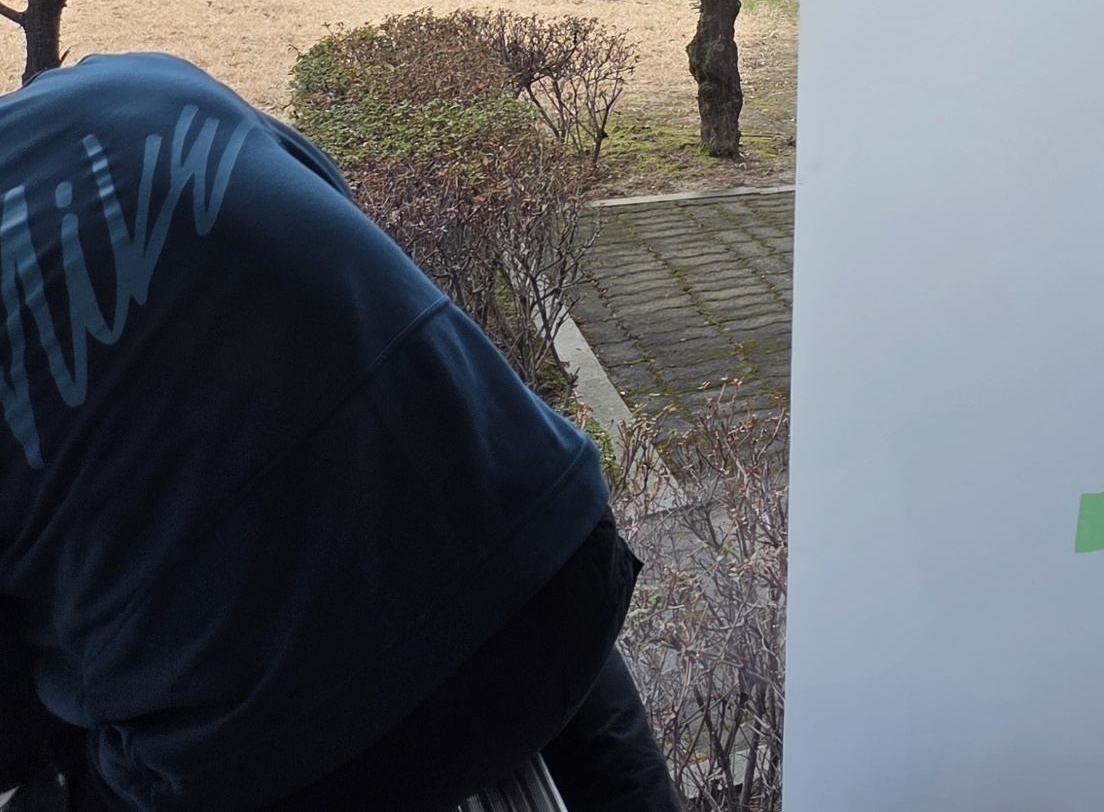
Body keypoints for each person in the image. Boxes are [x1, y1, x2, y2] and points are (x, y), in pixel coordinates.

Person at [0, 53, 680, 811]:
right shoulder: (138, 83)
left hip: (277, 754)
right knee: (505, 547)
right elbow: (339, 248)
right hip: (562, 580)